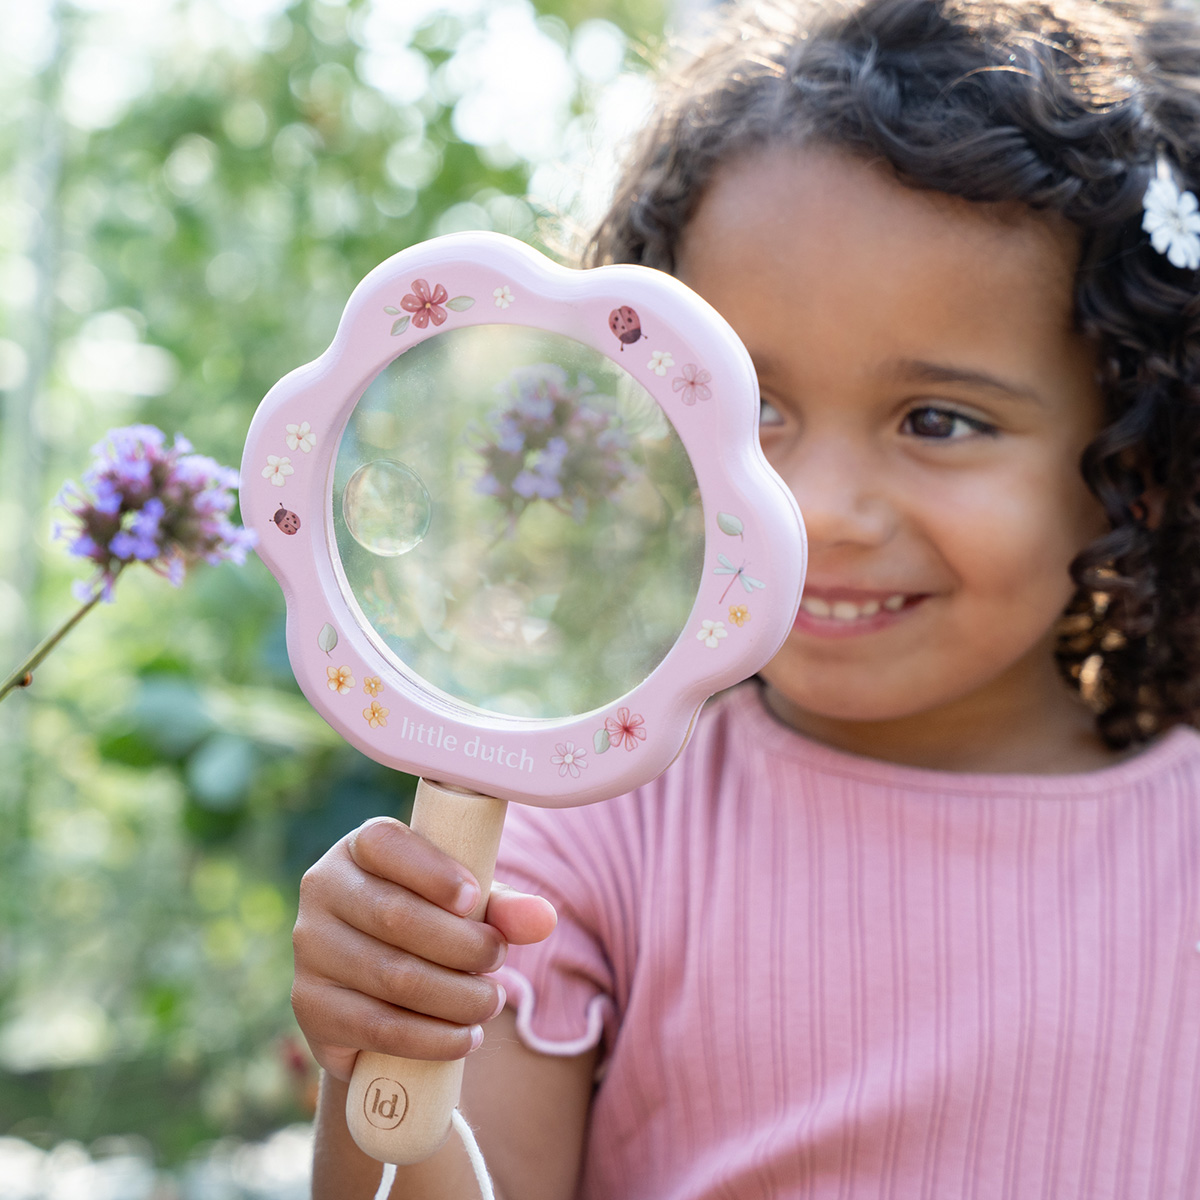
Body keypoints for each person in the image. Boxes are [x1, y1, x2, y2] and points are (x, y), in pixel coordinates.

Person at [290, 1, 1200, 1195]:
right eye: (753, 407)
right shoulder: (579, 839)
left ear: (1131, 454)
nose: (812, 508)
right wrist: (384, 1064)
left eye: (938, 421)